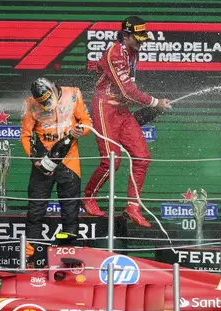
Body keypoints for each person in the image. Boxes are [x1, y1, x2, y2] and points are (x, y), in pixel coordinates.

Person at [82, 16, 172, 228]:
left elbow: (128, 86)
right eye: (137, 38)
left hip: (122, 109)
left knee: (142, 157)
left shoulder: (133, 51)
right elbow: (127, 90)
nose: (141, 42)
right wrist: (155, 102)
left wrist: (148, 102)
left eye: (143, 37)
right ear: (125, 35)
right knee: (111, 161)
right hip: (104, 108)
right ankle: (88, 197)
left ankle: (133, 207)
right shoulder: (114, 52)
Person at [21, 77, 92, 266]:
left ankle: (67, 259)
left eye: (47, 100)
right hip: (43, 162)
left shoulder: (73, 94)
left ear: (54, 88)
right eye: (41, 102)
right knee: (35, 212)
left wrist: (81, 130)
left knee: (70, 213)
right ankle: (30, 259)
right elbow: (26, 135)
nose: (45, 105)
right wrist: (35, 160)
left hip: (69, 161)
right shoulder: (30, 104)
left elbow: (87, 122)